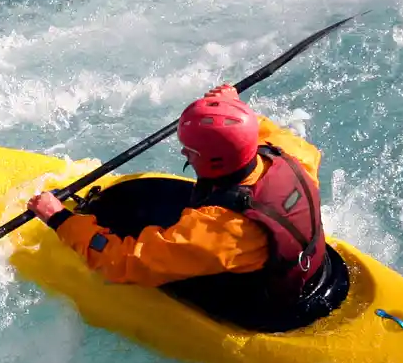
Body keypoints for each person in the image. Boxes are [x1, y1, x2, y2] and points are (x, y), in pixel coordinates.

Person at [26, 85, 349, 333]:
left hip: (266, 303)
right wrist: (228, 105)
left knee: (134, 251)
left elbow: (125, 263)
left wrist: (60, 219)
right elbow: (260, 130)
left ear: (211, 161)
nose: (183, 150)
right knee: (146, 198)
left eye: (188, 151)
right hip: (315, 270)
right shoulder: (292, 155)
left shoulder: (222, 230)